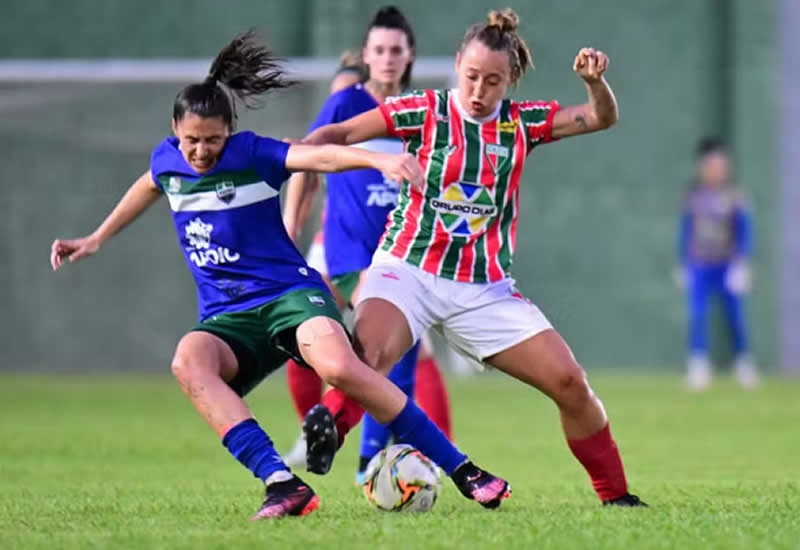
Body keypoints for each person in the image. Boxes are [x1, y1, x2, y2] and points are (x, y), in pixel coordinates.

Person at [49, 30, 511, 519]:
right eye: (191, 141)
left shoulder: (252, 154)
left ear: (230, 130)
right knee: (188, 362)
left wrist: (377, 157)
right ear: (174, 132)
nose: (202, 151)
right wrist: (97, 237)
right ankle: (281, 483)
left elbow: (320, 157)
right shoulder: (169, 160)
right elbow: (149, 185)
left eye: (213, 140)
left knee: (340, 369)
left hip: (291, 296)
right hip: (229, 316)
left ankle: (463, 470)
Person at [294, 9, 647, 507]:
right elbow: (337, 136)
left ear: (511, 81)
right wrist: (299, 156)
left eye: (494, 81)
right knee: (369, 356)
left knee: (570, 384)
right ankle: (330, 425)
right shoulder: (424, 111)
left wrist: (595, 83)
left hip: (482, 287)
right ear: (457, 65)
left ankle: (616, 496)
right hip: (406, 270)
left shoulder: (522, 123)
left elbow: (601, 117)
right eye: (472, 76)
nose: (480, 89)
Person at [280, 6, 454, 485]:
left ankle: (381, 454)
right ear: (367, 55)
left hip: (403, 251)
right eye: (379, 50)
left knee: (391, 353)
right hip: (352, 253)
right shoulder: (345, 105)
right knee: (377, 351)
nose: (388, 58)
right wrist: (290, 228)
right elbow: (305, 160)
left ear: (410, 55)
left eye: (397, 50)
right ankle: (358, 452)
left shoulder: (423, 112)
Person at [676, 137, 759, 391]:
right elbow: (685, 231)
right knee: (697, 314)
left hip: (726, 265)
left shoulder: (735, 197)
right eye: (710, 166)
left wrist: (742, 263)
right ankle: (698, 364)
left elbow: (744, 231)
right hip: (701, 265)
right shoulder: (694, 196)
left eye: (719, 166)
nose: (715, 171)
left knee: (735, 317)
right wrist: (683, 263)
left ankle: (743, 362)